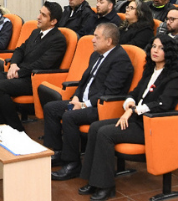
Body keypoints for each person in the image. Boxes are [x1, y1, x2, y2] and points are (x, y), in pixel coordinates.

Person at [77, 35, 178, 201]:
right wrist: (129, 103)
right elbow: (135, 92)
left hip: (151, 125)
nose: (155, 51)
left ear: (169, 52)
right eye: (154, 46)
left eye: (161, 48)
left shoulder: (174, 76)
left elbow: (164, 104)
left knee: (106, 133)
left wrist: (134, 110)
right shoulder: (150, 69)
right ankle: (92, 180)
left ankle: (106, 186)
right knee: (95, 127)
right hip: (136, 119)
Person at [45, 23, 134, 180]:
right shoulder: (96, 55)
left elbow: (110, 92)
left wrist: (84, 105)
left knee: (69, 116)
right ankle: (59, 152)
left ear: (109, 41)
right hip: (84, 102)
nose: (92, 40)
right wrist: (76, 97)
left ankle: (72, 164)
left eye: (96, 37)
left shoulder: (121, 61)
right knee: (51, 108)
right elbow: (83, 81)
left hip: (103, 106)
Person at [0, 2, 67, 131]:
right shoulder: (36, 32)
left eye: (43, 15)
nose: (38, 17)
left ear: (53, 21)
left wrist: (19, 72)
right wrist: (14, 65)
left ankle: (16, 127)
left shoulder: (58, 39)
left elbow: (43, 63)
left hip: (33, 79)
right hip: (18, 71)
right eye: (40, 13)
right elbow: (19, 50)